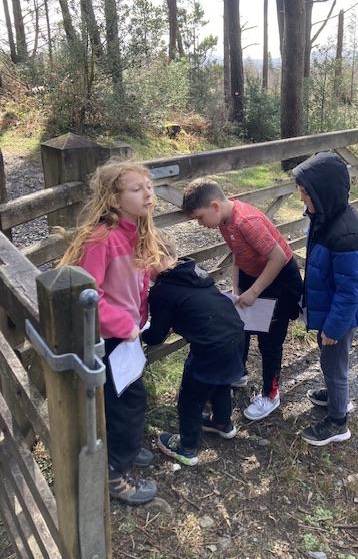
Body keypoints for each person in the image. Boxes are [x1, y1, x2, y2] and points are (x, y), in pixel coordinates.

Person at [59, 159, 164, 505]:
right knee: (128, 403)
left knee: (123, 400)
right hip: (110, 337)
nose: (148, 194)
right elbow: (88, 297)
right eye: (137, 189)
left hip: (129, 334)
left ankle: (124, 447)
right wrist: (124, 326)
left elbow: (137, 280)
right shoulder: (102, 239)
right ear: (115, 200)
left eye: (149, 186)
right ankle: (115, 474)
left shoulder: (136, 231)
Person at [182, 179, 303, 421]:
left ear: (215, 206)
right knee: (240, 327)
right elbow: (238, 253)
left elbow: (278, 258)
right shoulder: (224, 221)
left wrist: (254, 291)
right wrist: (238, 289)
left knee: (270, 341)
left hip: (279, 280)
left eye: (199, 217)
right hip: (254, 275)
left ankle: (271, 394)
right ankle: (239, 372)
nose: (200, 224)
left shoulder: (246, 221)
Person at [292, 152, 358, 446]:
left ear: (323, 192)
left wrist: (334, 328)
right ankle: (335, 394)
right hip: (332, 310)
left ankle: (338, 421)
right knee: (332, 359)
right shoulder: (325, 217)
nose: (301, 198)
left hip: (340, 315)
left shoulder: (346, 235)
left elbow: (350, 291)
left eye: (305, 193)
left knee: (334, 363)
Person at [142, 233, 245, 466]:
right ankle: (222, 423)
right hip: (235, 336)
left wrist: (140, 332)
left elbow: (156, 336)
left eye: (142, 262)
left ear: (153, 258)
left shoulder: (162, 290)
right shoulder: (195, 273)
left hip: (209, 350)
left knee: (189, 398)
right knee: (221, 383)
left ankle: (187, 447)